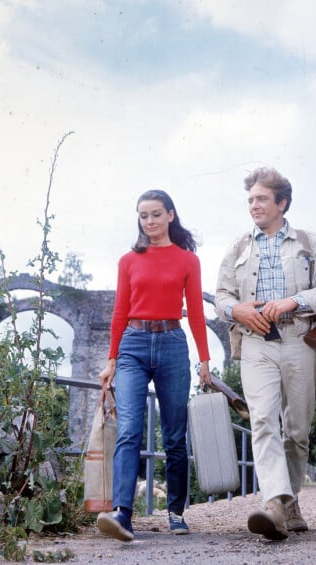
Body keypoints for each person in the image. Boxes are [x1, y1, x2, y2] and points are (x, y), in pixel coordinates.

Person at [215, 167, 316, 540]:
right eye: (250, 200)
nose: (253, 206)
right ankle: (274, 503)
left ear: (282, 203)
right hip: (256, 342)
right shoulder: (239, 246)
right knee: (262, 420)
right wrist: (235, 310)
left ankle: (290, 504)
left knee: (297, 431)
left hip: (300, 340)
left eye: (261, 199)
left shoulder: (310, 242)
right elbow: (221, 297)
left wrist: (296, 300)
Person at [97, 189, 211, 542]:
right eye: (144, 216)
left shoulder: (188, 260)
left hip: (173, 346)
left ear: (171, 216)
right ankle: (123, 514)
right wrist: (111, 358)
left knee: (175, 434)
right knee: (130, 428)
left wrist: (205, 360)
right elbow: (120, 311)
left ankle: (175, 512)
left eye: (156, 214)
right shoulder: (128, 261)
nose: (150, 222)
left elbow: (195, 313)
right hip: (132, 345)